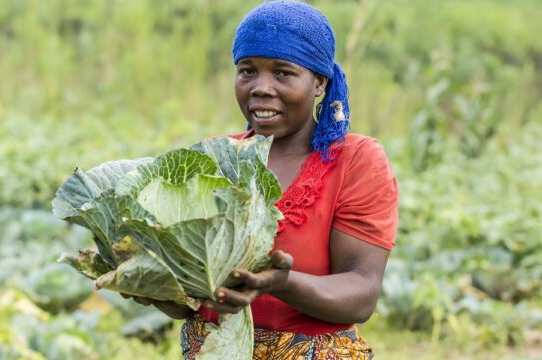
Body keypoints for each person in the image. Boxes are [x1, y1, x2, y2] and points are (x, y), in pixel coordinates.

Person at [132, 1, 398, 358]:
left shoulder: (356, 161)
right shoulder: (212, 158)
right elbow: (191, 301)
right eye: (247, 71)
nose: (260, 87)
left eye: (283, 73)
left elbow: (361, 293)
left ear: (319, 81)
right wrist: (156, 286)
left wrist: (281, 284)